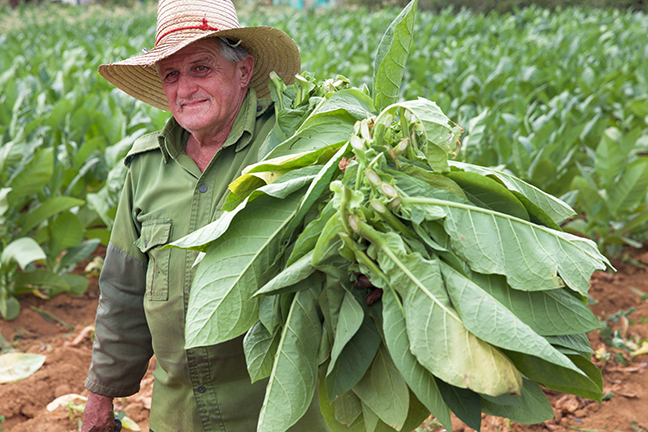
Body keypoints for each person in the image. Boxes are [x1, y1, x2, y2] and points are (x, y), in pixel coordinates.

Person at [81, 0, 330, 430]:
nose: (185, 89)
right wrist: (100, 397)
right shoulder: (146, 168)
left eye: (201, 68)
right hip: (177, 417)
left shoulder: (295, 146)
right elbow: (122, 292)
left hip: (277, 414)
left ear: (244, 71)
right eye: (172, 75)